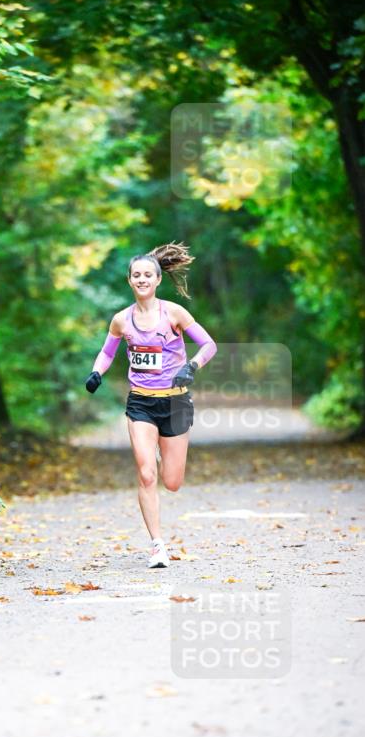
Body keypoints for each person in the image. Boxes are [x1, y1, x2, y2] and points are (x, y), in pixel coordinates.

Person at [85, 243, 217, 568]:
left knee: (171, 482)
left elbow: (209, 344)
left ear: (157, 279)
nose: (141, 279)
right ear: (130, 281)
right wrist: (96, 373)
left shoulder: (174, 313)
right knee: (146, 474)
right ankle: (158, 545)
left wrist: (192, 366)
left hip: (175, 404)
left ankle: (164, 451)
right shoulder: (121, 320)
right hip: (140, 403)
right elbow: (106, 352)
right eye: (136, 275)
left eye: (147, 274)